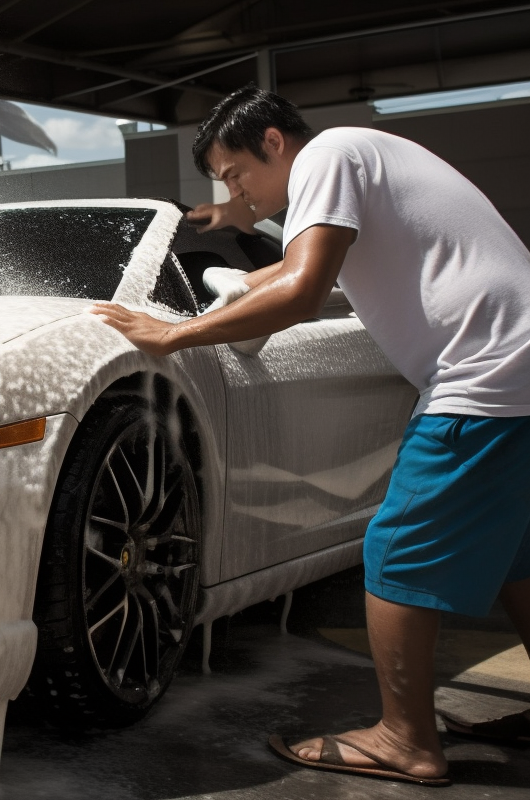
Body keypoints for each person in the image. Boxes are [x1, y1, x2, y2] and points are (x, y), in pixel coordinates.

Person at [91, 86, 530, 787]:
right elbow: (289, 273)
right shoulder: (364, 157)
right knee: (517, 557)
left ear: (273, 143)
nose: (237, 194)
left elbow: (299, 290)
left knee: (395, 549)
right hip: (520, 371)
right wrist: (233, 290)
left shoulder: (327, 153)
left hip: (487, 377)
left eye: (236, 175)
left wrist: (175, 333)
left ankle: (404, 739)